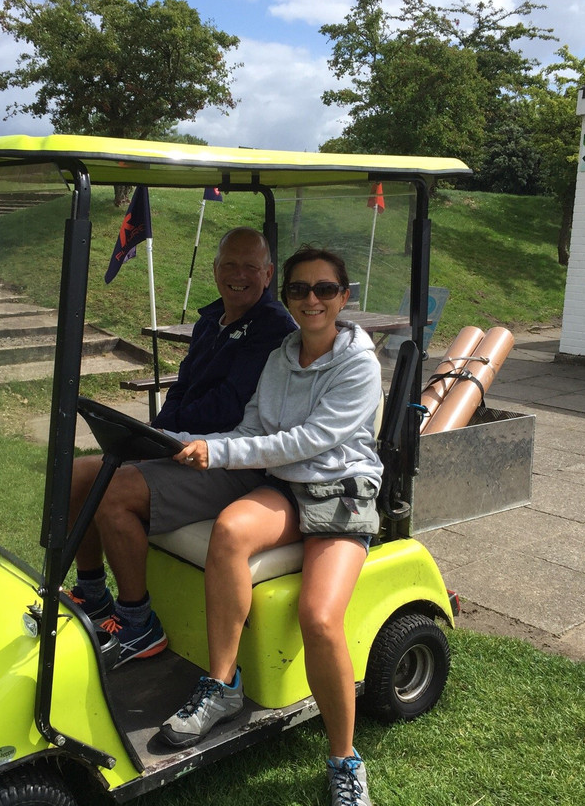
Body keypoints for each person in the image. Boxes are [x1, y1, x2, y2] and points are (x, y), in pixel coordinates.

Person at [157, 247, 383, 806]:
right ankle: (222, 684)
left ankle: (344, 759)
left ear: (343, 297)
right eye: (300, 290)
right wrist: (206, 444)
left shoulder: (359, 362)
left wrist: (224, 454)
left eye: (325, 290)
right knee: (230, 530)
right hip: (287, 486)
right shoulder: (282, 355)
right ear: (286, 297)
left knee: (320, 618)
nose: (312, 300)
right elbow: (255, 423)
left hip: (339, 492)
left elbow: (310, 441)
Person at [67, 227, 296, 665]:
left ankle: (138, 624)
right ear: (214, 270)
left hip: (231, 461)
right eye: (229, 264)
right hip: (183, 449)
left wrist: (166, 440)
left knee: (114, 495)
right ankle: (94, 595)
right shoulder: (213, 320)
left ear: (267, 274)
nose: (238, 275)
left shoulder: (273, 330)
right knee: (79, 474)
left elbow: (229, 405)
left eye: (250, 266)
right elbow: (185, 389)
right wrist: (153, 436)